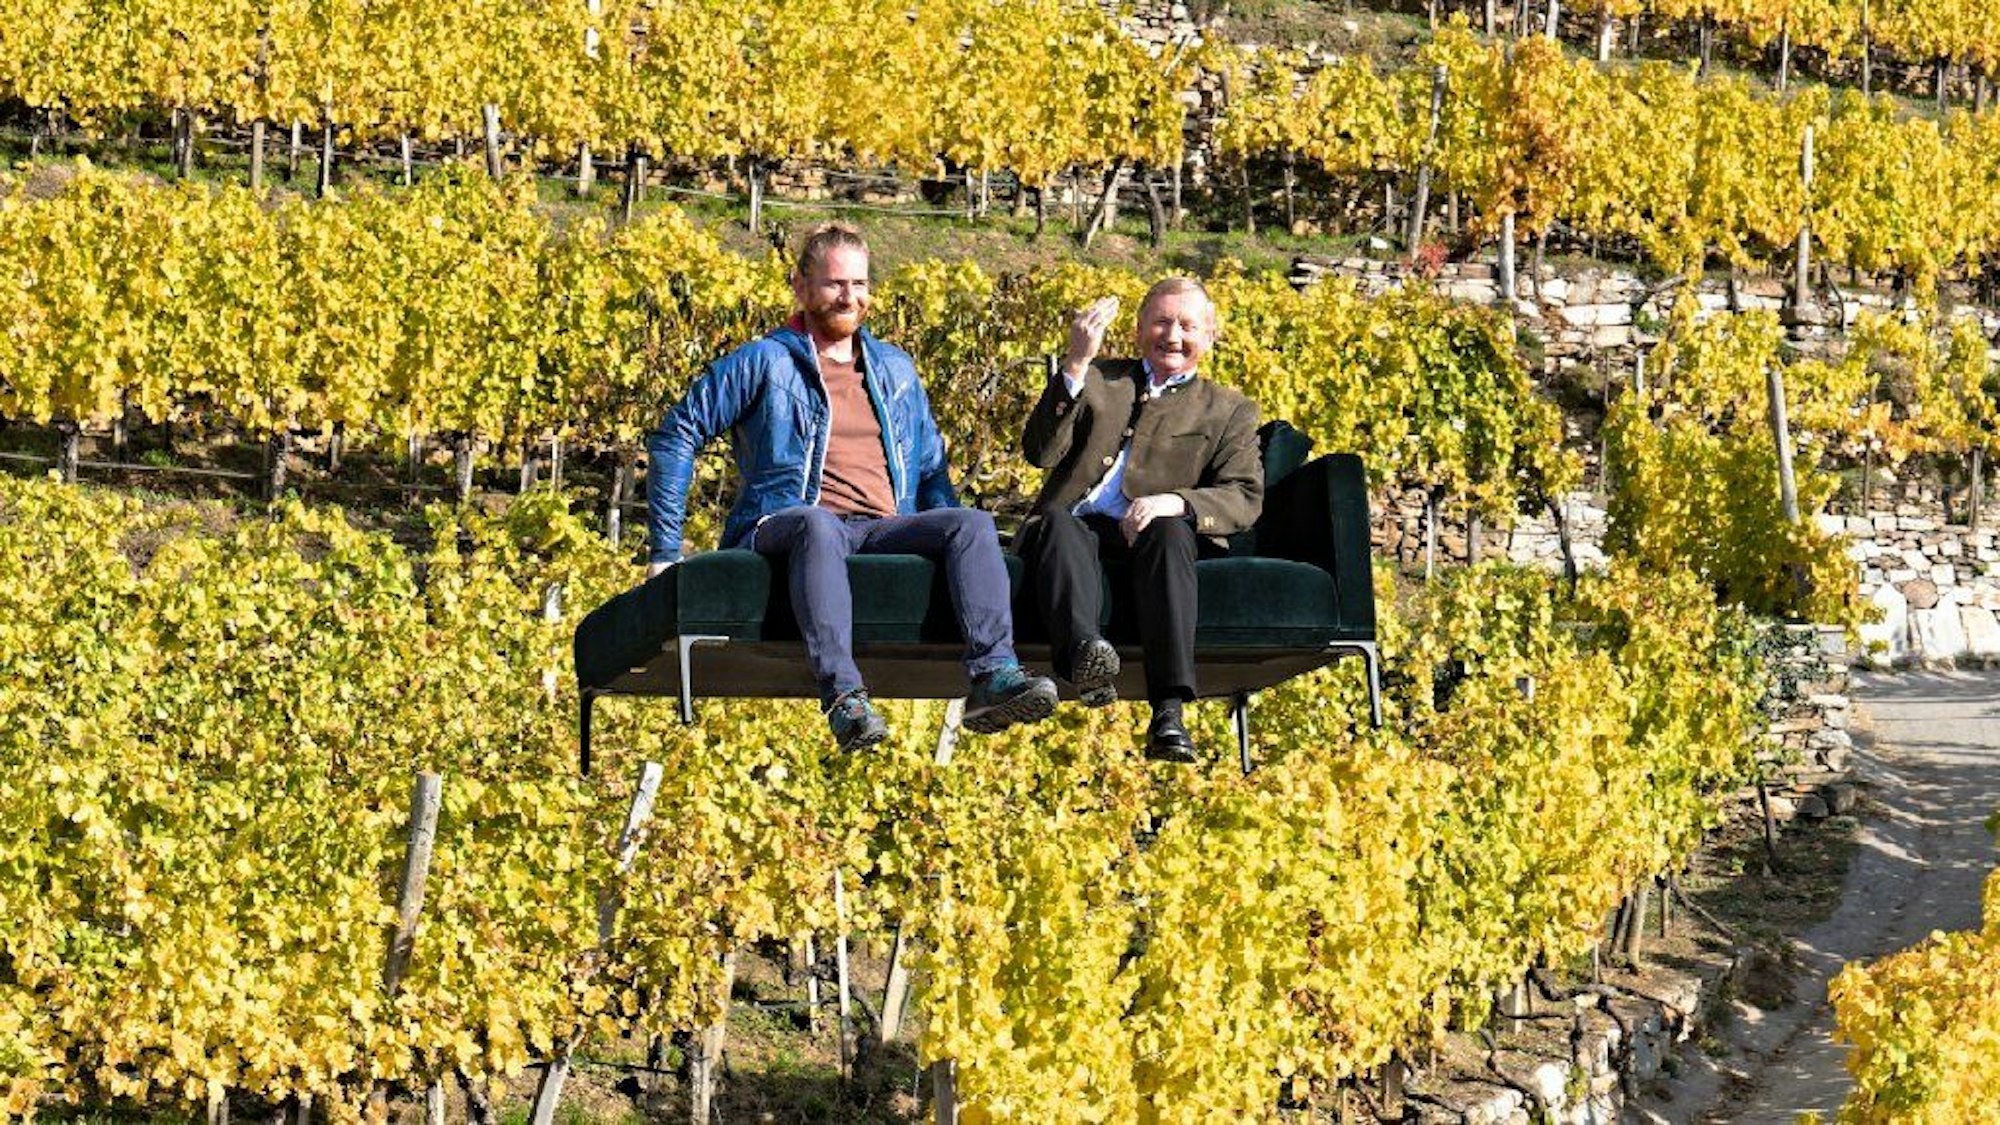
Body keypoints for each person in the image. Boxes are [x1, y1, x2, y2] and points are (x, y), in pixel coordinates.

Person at [644, 222, 1057, 751]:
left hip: (884, 527)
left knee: (972, 524)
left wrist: (948, 543)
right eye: (835, 283)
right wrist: (664, 549)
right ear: (801, 286)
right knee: (818, 525)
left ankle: (992, 675)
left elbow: (931, 470)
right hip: (787, 520)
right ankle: (845, 698)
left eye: (859, 284)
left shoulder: (895, 369)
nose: (849, 296)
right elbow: (678, 432)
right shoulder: (764, 361)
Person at [1017, 278, 1263, 763]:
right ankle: (1087, 656)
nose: (1173, 335)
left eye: (1188, 325)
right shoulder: (1097, 378)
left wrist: (1176, 501)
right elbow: (1040, 452)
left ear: (1209, 337)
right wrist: (1075, 362)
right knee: (1059, 522)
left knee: (1171, 530)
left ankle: (1169, 713)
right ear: (1138, 332)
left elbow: (1244, 496)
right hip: (1073, 531)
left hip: (1148, 539)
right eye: (1162, 321)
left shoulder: (1229, 409)